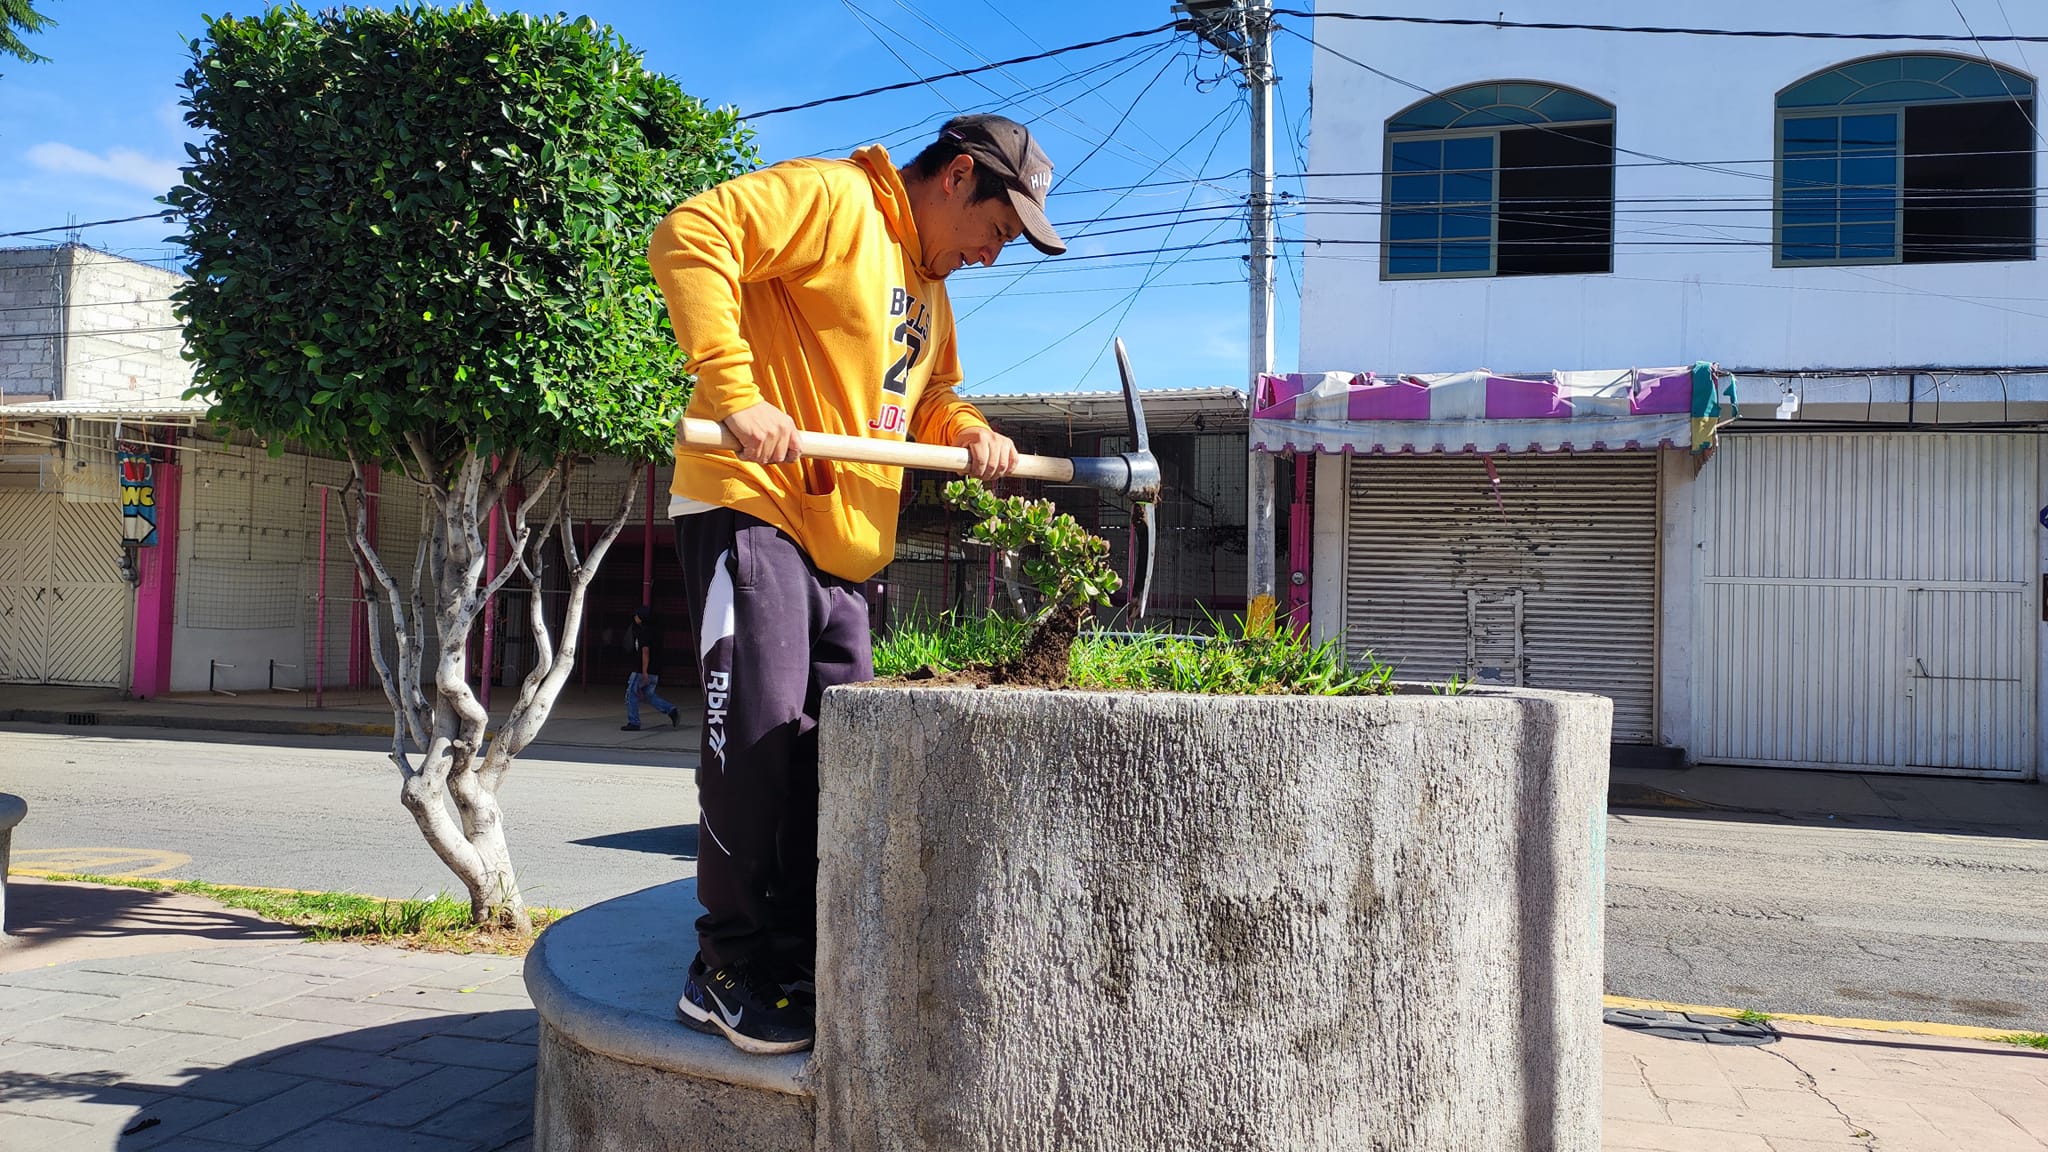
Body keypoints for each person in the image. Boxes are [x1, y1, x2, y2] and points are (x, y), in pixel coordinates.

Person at [646, 113, 1063, 1054]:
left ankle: (791, 955)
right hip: (755, 506)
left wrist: (967, 430)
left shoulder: (928, 285)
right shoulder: (835, 200)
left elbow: (934, 391)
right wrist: (736, 392)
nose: (994, 256)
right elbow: (689, 235)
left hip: (846, 546)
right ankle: (725, 971)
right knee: (752, 742)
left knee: (826, 754)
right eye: (998, 231)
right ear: (959, 177)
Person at [621, 604, 681, 732]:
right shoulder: (656, 631)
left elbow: (645, 651)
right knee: (648, 694)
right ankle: (671, 710)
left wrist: (644, 671)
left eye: (637, 615)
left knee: (631, 694)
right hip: (655, 669)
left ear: (642, 618)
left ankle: (634, 722)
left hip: (641, 670)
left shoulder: (644, 632)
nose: (635, 617)